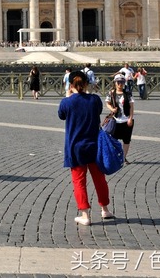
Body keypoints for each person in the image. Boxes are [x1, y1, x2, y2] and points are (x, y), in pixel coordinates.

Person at [58, 71, 113, 226]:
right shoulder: (95, 100)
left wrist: (69, 97)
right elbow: (97, 110)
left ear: (70, 85)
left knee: (79, 181)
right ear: (86, 83)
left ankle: (85, 215)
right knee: (99, 179)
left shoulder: (66, 102)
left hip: (75, 147)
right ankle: (105, 209)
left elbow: (61, 115)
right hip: (94, 145)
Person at [106, 74, 135, 164]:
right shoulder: (111, 93)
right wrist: (112, 109)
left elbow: (131, 106)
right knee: (113, 139)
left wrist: (130, 118)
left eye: (122, 82)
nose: (120, 84)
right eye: (118, 82)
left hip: (126, 120)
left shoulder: (128, 93)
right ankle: (115, 156)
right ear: (115, 83)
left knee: (126, 140)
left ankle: (123, 157)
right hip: (115, 119)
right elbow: (107, 103)